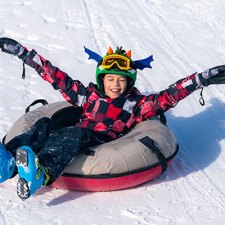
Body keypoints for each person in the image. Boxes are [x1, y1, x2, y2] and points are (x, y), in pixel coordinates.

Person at [0, 37, 225, 200]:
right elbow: (56, 77)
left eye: (121, 80)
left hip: (97, 140)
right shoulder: (86, 96)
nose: (115, 85)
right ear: (101, 80)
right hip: (72, 134)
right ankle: (9, 163)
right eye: (110, 79)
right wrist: (23, 54)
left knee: (71, 134)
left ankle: (43, 172)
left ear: (129, 83)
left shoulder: (136, 105)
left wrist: (199, 80)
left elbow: (169, 96)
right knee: (44, 125)